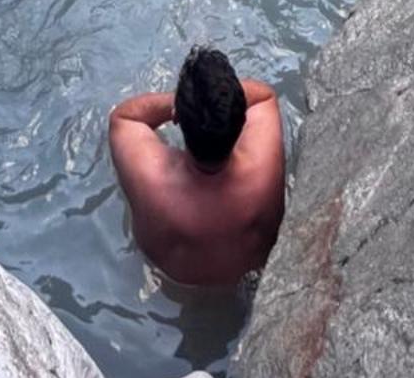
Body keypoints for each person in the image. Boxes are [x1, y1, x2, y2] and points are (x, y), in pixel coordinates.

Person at [108, 46, 285, 286]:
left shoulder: (152, 179)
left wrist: (185, 103)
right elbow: (263, 95)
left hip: (165, 288)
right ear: (242, 119)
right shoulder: (263, 165)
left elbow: (124, 117)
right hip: (257, 276)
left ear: (176, 117)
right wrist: (220, 102)